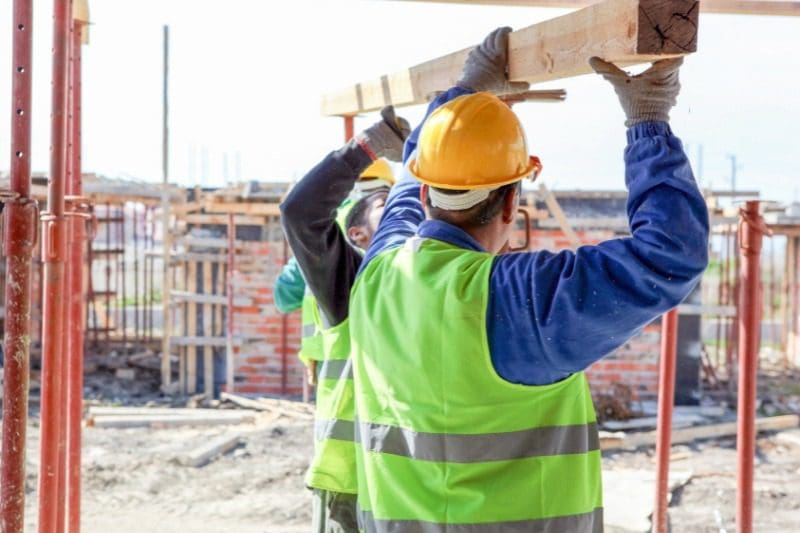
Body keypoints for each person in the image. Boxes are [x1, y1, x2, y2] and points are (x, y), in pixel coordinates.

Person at [348, 27, 709, 531]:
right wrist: (647, 120)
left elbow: (410, 181)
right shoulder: (515, 299)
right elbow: (670, 254)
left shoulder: (378, 272)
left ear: (428, 193)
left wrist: (465, 97)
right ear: (513, 203)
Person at [279, 110, 410, 532]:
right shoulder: (354, 284)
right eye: (387, 207)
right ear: (358, 237)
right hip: (355, 480)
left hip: (417, 483)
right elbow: (300, 213)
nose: (405, 215)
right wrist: (368, 145)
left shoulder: (435, 282)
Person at [274, 160, 396, 382]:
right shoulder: (398, 219)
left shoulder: (321, 226)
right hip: (389, 360)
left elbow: (284, 295)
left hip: (330, 358)